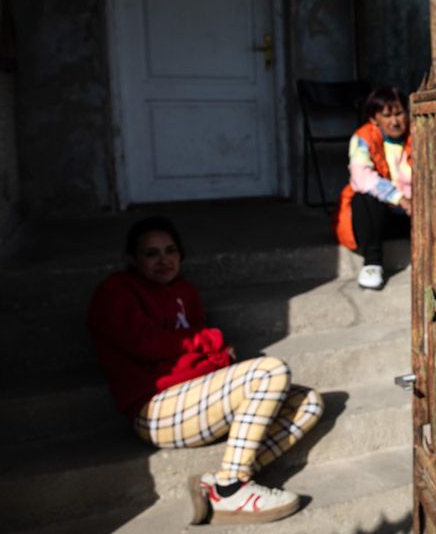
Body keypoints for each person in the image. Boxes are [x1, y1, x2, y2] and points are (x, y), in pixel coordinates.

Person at [87, 217, 323, 526]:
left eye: (170, 251)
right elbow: (148, 347)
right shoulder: (117, 291)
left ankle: (223, 480)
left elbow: (198, 358)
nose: (163, 260)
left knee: (309, 402)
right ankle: (233, 488)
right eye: (151, 253)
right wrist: (210, 341)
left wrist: (210, 356)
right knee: (271, 371)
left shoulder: (185, 292)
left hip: (195, 400)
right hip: (155, 408)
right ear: (131, 259)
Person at [334, 87, 412, 290]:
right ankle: (372, 263)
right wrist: (400, 199)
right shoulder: (363, 138)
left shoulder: (417, 135)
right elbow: (362, 176)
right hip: (377, 220)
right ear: (374, 118)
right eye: (387, 116)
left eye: (399, 113)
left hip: (410, 216)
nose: (394, 121)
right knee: (364, 197)